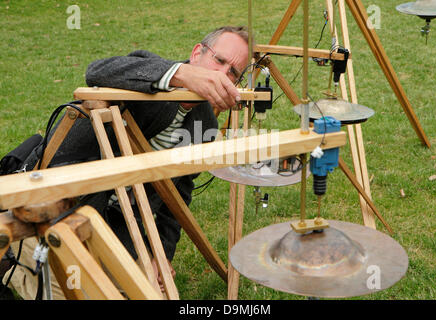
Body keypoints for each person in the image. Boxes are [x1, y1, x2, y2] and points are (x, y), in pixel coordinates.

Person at [1, 25, 250, 299]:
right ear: (196, 54)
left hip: (117, 223)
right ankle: (8, 263)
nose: (222, 75)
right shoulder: (154, 75)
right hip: (58, 201)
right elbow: (96, 71)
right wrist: (181, 76)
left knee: (152, 294)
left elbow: (178, 195)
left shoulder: (206, 124)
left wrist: (162, 254)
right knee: (71, 292)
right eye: (219, 60)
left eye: (233, 73)